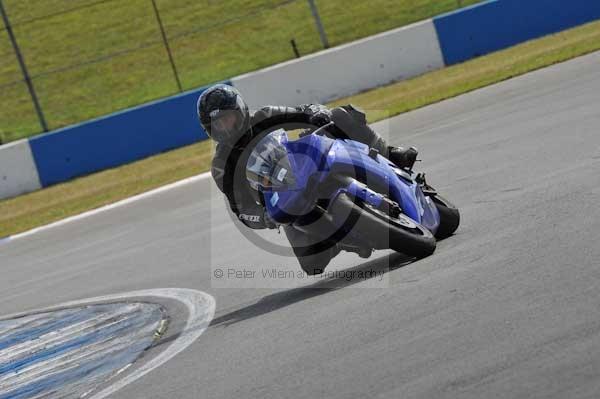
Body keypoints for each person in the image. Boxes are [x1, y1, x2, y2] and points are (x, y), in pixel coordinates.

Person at [197, 84, 418, 274]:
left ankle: (390, 153)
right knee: (312, 263)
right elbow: (242, 209)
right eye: (218, 124)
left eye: (228, 118)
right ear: (210, 129)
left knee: (341, 115)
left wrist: (316, 114)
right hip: (284, 201)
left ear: (241, 111)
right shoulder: (221, 166)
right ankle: (342, 240)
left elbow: (303, 112)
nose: (225, 127)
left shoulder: (264, 116)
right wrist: (263, 217)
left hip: (306, 165)